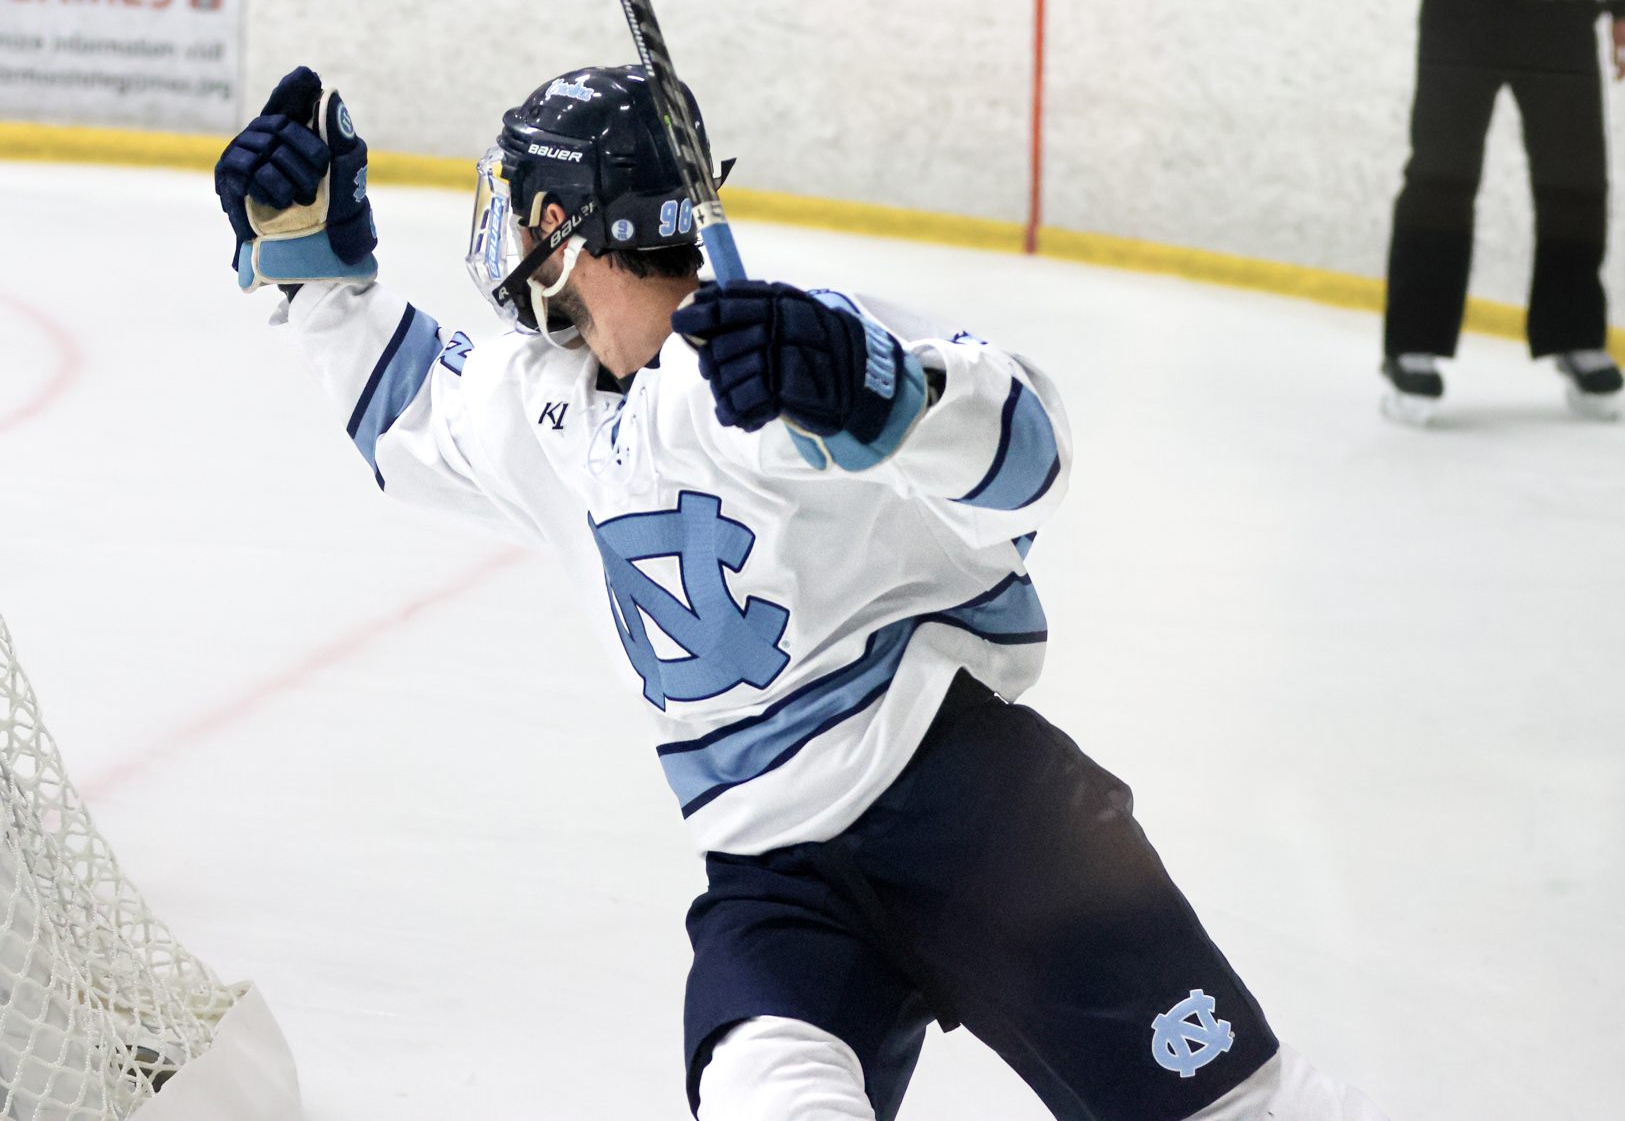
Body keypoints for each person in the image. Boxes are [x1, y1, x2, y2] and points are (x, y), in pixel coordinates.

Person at [212, 64, 1390, 1121]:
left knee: (1238, 1109)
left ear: (561, 228)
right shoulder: (542, 401)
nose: (508, 229)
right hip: (774, 879)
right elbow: (411, 410)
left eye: (522, 205)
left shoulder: (784, 356)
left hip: (980, 813)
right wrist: (316, 273)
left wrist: (879, 394)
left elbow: (1028, 452)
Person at [1381, 0, 1625, 425]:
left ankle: (1575, 334)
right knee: (1442, 174)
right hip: (1461, 2)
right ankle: (1414, 344)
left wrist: (1620, 9)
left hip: (1560, 9)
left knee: (1575, 179)